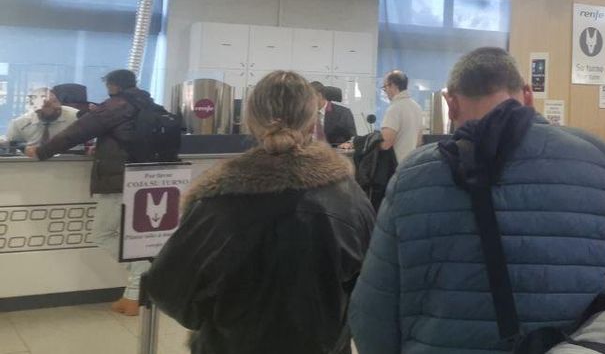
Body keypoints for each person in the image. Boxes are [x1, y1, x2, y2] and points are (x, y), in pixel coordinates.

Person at [350, 47, 605, 353]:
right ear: (528, 95)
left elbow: (372, 311)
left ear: (451, 104)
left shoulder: (413, 175)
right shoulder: (597, 159)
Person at [143, 71, 374, 354]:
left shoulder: (219, 200)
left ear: (250, 120)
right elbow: (371, 290)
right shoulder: (350, 198)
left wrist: (211, 321)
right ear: (313, 120)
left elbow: (168, 287)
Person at [28, 70, 158, 316]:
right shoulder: (148, 104)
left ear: (112, 85)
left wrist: (42, 151)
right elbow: (126, 137)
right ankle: (132, 296)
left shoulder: (116, 105)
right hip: (147, 180)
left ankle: (142, 269)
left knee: (102, 234)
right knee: (133, 237)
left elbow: (77, 132)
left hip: (118, 179)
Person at [2, 87, 77, 148]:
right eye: (47, 105)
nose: (55, 107)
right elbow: (10, 148)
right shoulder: (19, 124)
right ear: (35, 109)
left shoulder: (76, 117)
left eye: (55, 101)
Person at [379, 70, 422, 164]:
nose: (385, 91)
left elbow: (386, 143)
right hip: (411, 163)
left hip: (396, 165)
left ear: (393, 85)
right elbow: (419, 142)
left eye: (385, 87)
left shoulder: (395, 108)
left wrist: (370, 144)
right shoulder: (417, 107)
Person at [311, 81, 356, 147]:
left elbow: (353, 138)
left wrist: (349, 143)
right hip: (309, 150)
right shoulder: (305, 113)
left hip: (334, 151)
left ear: (319, 95)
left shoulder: (343, 113)